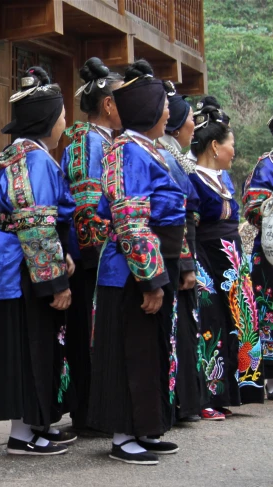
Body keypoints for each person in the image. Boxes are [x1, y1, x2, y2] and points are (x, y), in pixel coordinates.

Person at [87, 60, 183, 465]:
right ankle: (124, 437)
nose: (168, 113)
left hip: (154, 261)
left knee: (149, 349)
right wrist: (150, 281)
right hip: (132, 270)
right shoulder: (127, 152)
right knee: (131, 349)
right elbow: (129, 220)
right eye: (163, 106)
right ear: (147, 109)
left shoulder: (146, 148)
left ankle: (144, 428)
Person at [0, 67, 77, 456]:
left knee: (31, 343)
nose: (65, 123)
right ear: (48, 122)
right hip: (24, 266)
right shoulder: (35, 161)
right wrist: (55, 283)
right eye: (63, 116)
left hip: (14, 261)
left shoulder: (21, 154)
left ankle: (35, 424)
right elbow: (35, 225)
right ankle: (22, 434)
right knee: (28, 343)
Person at [189, 97, 264, 413]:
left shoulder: (224, 180)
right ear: (214, 146)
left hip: (233, 265)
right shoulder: (193, 178)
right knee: (212, 326)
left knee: (241, 323)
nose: (235, 151)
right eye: (231, 143)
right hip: (208, 262)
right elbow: (192, 229)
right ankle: (209, 397)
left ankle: (234, 393)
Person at [60, 57, 122, 431]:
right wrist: (100, 253)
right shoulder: (86, 142)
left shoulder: (106, 141)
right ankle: (87, 412)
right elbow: (85, 207)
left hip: (104, 254)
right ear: (108, 104)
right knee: (86, 334)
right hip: (90, 258)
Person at [155, 81, 206, 422]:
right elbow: (179, 215)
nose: (194, 126)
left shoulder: (174, 155)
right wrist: (187, 263)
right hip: (172, 253)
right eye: (190, 119)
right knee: (175, 330)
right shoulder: (167, 156)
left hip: (178, 252)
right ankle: (179, 403)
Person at [243, 116, 273, 400]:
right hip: (270, 255)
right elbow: (252, 205)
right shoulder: (267, 165)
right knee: (267, 309)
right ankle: (270, 376)